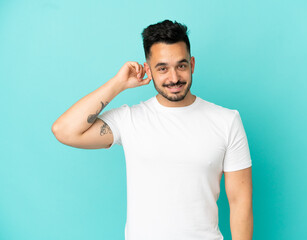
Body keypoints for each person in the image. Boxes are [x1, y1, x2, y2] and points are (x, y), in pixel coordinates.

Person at [52, 19, 253, 240]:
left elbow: (240, 203)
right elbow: (64, 130)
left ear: (192, 64)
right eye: (163, 68)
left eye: (181, 66)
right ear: (148, 69)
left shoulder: (227, 120)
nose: (174, 78)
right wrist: (118, 83)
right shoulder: (130, 119)